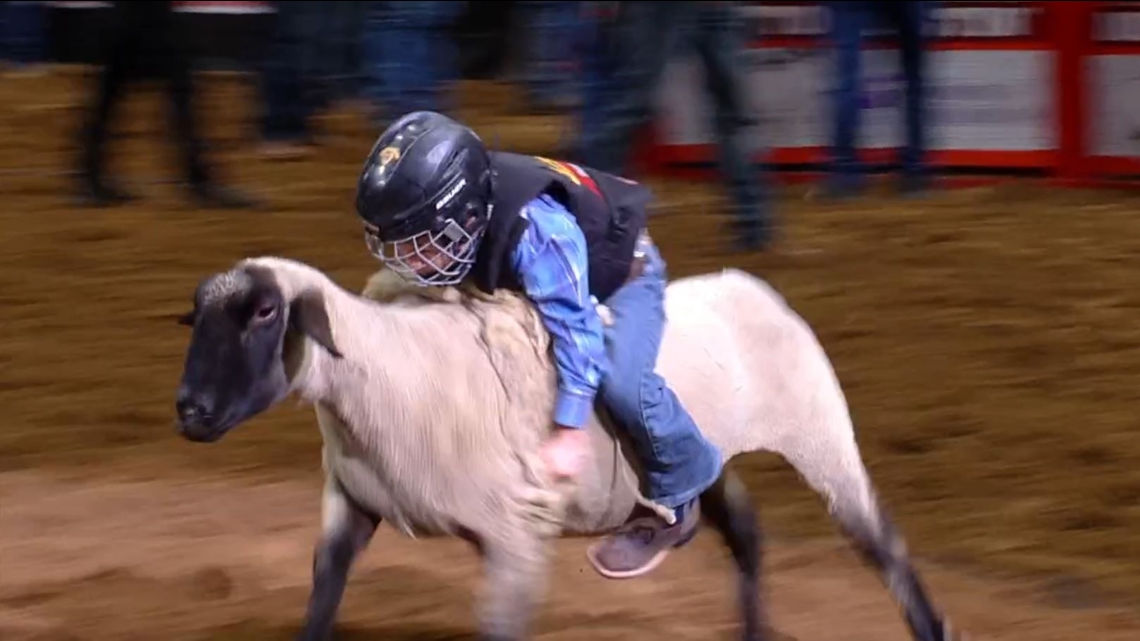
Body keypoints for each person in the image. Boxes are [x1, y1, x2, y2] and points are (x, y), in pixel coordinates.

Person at [353, 110, 724, 579]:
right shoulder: (470, 216)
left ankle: (682, 488)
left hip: (621, 275)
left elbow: (574, 324)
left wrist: (570, 428)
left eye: (420, 244)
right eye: (400, 245)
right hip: (525, 270)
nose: (407, 260)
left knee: (624, 380)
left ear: (465, 216)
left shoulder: (538, 232)